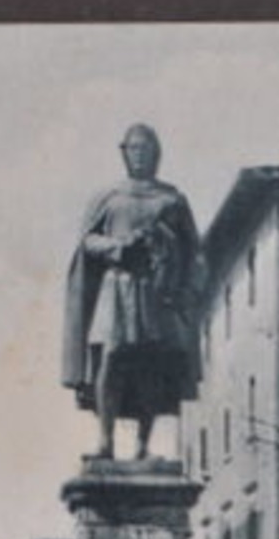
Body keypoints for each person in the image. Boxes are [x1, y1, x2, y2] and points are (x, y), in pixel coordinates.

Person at [62, 124, 202, 460]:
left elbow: (193, 250)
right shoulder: (109, 197)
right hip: (116, 287)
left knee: (150, 365)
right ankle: (106, 441)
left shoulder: (172, 199)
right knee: (109, 359)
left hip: (154, 291)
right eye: (134, 149)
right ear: (124, 153)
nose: (141, 155)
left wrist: (173, 265)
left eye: (147, 149)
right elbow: (87, 241)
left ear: (157, 154)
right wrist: (118, 246)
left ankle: (143, 445)